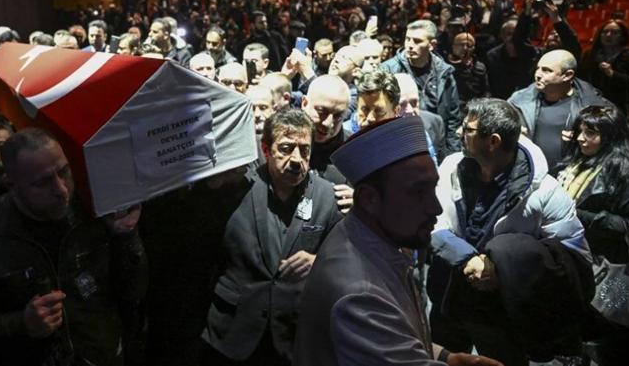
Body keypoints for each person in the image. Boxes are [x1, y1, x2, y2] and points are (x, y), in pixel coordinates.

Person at [295, 116, 500, 366]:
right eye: (418, 192)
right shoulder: (360, 295)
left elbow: (393, 340)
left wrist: (446, 357)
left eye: (433, 188)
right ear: (369, 199)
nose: (436, 208)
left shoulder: (367, 239)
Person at [0, 128, 147, 366]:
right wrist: (21, 324)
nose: (61, 190)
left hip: (102, 353)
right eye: (42, 182)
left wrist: (126, 236)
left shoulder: (93, 209)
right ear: (12, 186)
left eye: (64, 172)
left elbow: (133, 292)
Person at [429, 99, 593, 366]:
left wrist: (508, 263)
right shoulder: (451, 168)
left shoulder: (544, 191)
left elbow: (575, 256)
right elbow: (432, 221)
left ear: (493, 141)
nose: (459, 132)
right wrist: (466, 258)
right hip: (448, 300)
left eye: (467, 129)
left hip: (501, 316)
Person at [202, 109, 343, 365]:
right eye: (286, 149)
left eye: (304, 150)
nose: (296, 159)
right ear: (266, 149)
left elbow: (347, 258)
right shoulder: (236, 189)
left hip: (293, 337)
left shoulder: (327, 197)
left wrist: (318, 261)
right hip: (232, 333)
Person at [556, 105, 629, 364]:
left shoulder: (627, 170)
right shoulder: (577, 159)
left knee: (609, 328)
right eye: (580, 131)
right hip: (573, 258)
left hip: (606, 264)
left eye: (590, 133)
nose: (581, 138)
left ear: (610, 136)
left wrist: (580, 215)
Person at [508, 49, 609, 173]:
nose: (538, 74)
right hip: (528, 173)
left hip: (573, 175)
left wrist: (583, 139)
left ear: (567, 75)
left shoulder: (593, 106)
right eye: (538, 68)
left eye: (546, 70)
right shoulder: (518, 101)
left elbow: (613, 145)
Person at [380, 20, 461, 155]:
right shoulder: (388, 70)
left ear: (431, 45)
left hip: (436, 142)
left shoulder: (444, 73)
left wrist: (452, 155)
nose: (410, 45)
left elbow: (453, 118)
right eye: (407, 39)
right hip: (399, 142)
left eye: (417, 41)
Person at [578, 20, 629, 113]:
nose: (608, 35)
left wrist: (613, 74)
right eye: (605, 32)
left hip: (619, 106)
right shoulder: (589, 54)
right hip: (590, 103)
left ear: (622, 37)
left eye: (615, 33)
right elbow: (581, 78)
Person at [395, 74, 446, 165]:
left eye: (414, 102)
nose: (410, 110)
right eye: (402, 104)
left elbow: (442, 167)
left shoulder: (435, 122)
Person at [485, 19, 539, 100]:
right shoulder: (492, 56)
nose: (513, 38)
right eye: (509, 34)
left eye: (516, 34)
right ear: (502, 36)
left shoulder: (533, 54)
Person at [448, 33, 490, 118]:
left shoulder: (480, 66)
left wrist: (482, 106)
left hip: (475, 109)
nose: (465, 48)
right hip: (454, 109)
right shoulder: (446, 66)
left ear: (473, 48)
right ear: (453, 47)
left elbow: (485, 90)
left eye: (469, 45)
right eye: (461, 45)